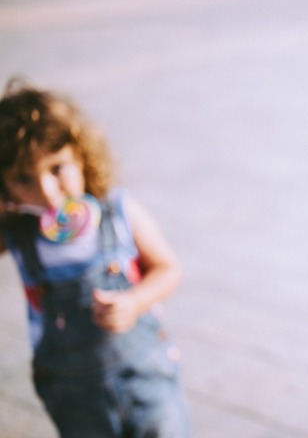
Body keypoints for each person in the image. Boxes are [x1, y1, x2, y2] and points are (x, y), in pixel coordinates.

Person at [0, 79, 190, 437]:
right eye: (23, 179)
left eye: (57, 168)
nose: (47, 191)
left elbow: (169, 269)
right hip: (73, 393)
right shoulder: (19, 232)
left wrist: (133, 302)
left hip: (144, 376)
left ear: (82, 156)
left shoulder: (118, 211)